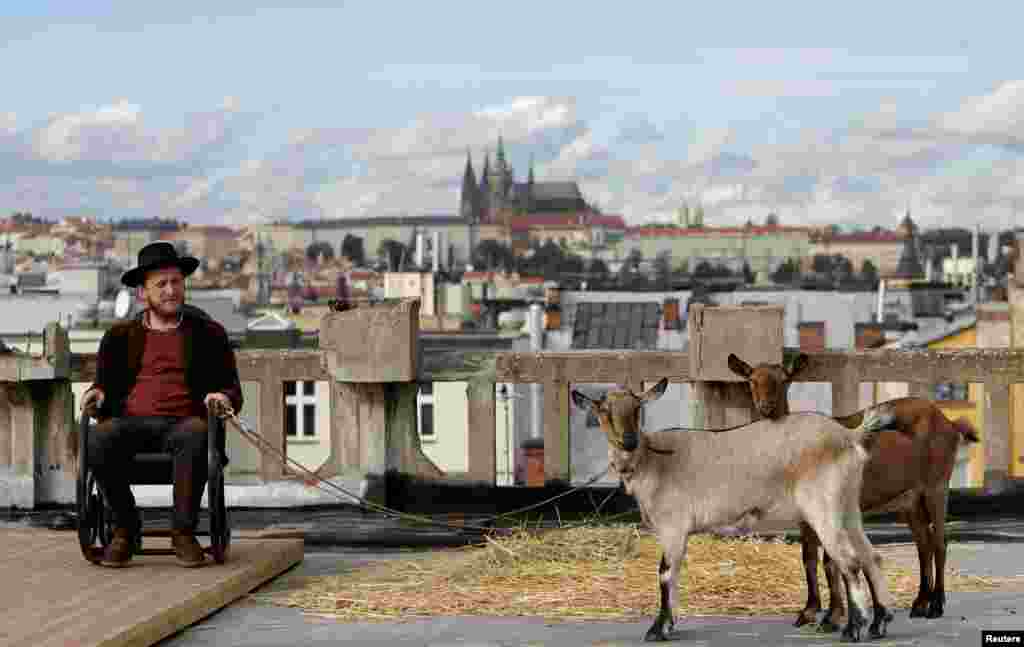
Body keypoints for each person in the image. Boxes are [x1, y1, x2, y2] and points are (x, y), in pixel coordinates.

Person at [80, 241, 243, 568]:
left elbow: (232, 390)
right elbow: (104, 386)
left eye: (176, 282)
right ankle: (126, 528)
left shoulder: (209, 334)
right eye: (161, 284)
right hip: (131, 423)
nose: (171, 290)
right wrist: (97, 393)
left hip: (185, 424)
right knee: (96, 437)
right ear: (143, 293)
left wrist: (222, 397)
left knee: (197, 432)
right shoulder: (118, 337)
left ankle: (182, 533)